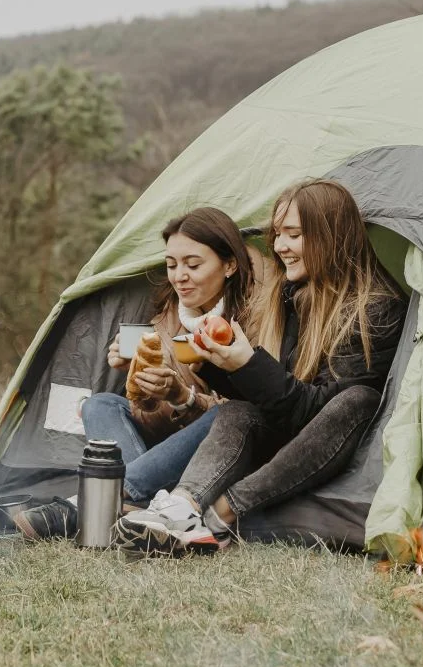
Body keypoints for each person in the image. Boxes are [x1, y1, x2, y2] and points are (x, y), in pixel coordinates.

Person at [116, 179, 407, 556]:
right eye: (278, 234)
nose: (280, 246)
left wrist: (248, 363)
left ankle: (222, 512)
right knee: (237, 410)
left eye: (294, 235)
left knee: (359, 399)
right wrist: (220, 364)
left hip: (332, 447)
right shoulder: (292, 295)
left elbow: (318, 413)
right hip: (284, 435)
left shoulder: (376, 309)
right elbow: (274, 405)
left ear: (331, 236)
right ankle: (184, 508)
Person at [14, 207, 255, 540]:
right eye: (171, 265)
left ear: (229, 265)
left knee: (225, 415)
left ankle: (85, 506)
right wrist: (142, 384)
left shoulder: (256, 314)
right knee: (99, 404)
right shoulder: (165, 322)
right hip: (164, 457)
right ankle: (137, 505)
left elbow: (246, 417)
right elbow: (153, 419)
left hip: (216, 457)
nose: (179, 276)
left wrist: (183, 397)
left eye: (193, 265)